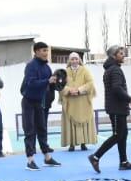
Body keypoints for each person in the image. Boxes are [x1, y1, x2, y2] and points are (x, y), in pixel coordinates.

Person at [89, 45, 131, 173]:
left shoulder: (111, 69)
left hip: (118, 108)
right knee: (117, 135)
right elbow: (117, 88)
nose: (123, 55)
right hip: (116, 108)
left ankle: (123, 162)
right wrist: (129, 99)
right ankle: (95, 157)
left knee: (123, 134)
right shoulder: (115, 70)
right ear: (113, 56)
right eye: (120, 53)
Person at [19, 41, 62, 171]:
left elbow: (50, 86)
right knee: (30, 131)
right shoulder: (31, 66)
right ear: (36, 52)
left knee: (42, 129)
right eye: (43, 50)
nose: (46, 53)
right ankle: (30, 160)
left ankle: (47, 158)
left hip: (39, 102)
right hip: (28, 102)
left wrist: (58, 82)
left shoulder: (47, 68)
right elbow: (31, 83)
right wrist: (47, 81)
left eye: (47, 50)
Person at [60, 53, 96, 151]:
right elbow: (60, 85)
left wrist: (79, 90)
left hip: (82, 102)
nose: (74, 61)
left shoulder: (85, 70)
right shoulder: (65, 72)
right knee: (70, 122)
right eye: (72, 59)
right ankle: (71, 144)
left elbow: (90, 83)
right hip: (70, 102)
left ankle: (83, 143)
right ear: (69, 61)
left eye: (76, 59)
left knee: (83, 121)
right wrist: (69, 90)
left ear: (79, 60)